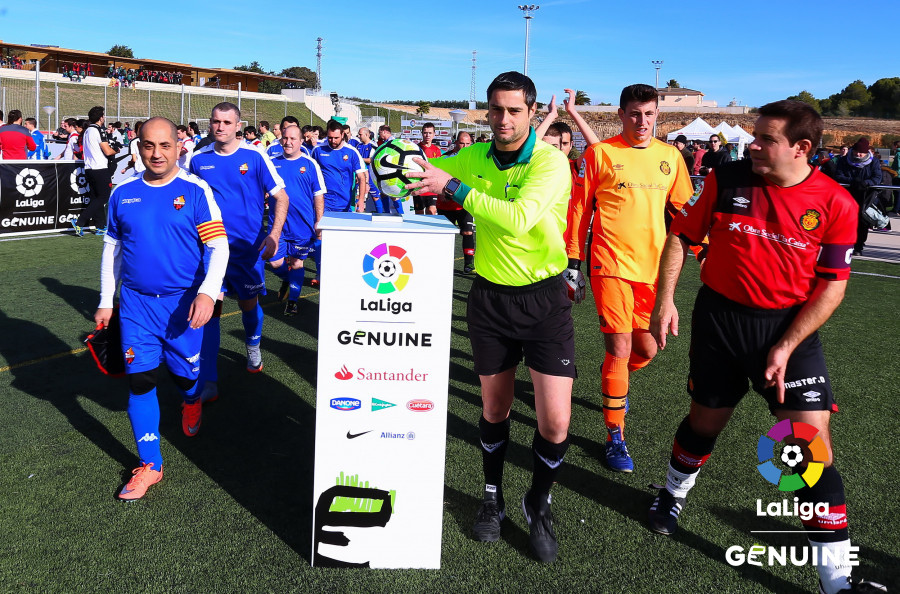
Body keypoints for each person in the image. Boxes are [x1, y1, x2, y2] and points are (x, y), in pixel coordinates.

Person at [648, 100, 885, 594]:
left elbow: (832, 287)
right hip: (719, 322)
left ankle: (835, 581)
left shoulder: (837, 203)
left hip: (789, 333)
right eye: (753, 137)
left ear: (801, 148)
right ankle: (672, 494)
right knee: (704, 422)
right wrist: (664, 300)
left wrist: (785, 344)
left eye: (765, 139)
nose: (752, 145)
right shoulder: (726, 178)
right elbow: (680, 236)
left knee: (808, 451)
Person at [407, 71, 577, 563]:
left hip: (544, 300)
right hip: (490, 300)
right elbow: (424, 169)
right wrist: (397, 165)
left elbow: (519, 217)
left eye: (515, 110)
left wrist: (454, 188)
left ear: (530, 112)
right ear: (488, 111)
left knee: (556, 422)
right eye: (496, 110)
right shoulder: (475, 155)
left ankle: (537, 501)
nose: (504, 119)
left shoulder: (550, 163)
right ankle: (492, 496)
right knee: (495, 409)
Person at [94, 117, 229, 500]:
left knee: (186, 376)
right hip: (135, 306)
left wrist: (207, 292)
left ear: (178, 147)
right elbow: (112, 250)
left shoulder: (196, 191)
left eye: (165, 145)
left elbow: (219, 247)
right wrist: (107, 300)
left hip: (183, 306)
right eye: (149, 146)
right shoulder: (123, 192)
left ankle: (191, 400)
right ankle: (150, 464)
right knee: (140, 381)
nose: (157, 153)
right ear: (138, 147)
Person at [567, 84, 693, 473]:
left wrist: (708, 251)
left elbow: (687, 215)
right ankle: (615, 435)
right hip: (610, 266)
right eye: (635, 114)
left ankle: (613, 385)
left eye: (649, 114)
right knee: (620, 349)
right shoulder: (600, 154)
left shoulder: (671, 158)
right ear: (621, 115)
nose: (642, 122)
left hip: (654, 271)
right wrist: (573, 262)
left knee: (649, 349)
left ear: (658, 116)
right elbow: (579, 212)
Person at [189, 102, 289, 401]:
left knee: (248, 305)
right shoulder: (197, 160)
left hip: (246, 250)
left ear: (237, 125)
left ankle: (253, 345)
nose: (220, 127)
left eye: (226, 122)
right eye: (215, 121)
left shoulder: (255, 156)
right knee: (211, 309)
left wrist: (273, 236)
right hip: (210, 250)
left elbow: (281, 198)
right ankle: (208, 382)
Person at [269, 124, 326, 315]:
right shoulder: (271, 162)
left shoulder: (310, 164)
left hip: (303, 224)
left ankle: (292, 301)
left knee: (296, 263)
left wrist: (319, 221)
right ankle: (287, 278)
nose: (288, 142)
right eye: (285, 138)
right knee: (275, 262)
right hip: (277, 224)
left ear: (301, 141)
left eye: (293, 139)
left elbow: (318, 194)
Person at [834, 138, 883, 256]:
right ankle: (844, 243)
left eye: (861, 152)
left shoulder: (874, 162)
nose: (858, 154)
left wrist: (866, 183)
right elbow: (838, 175)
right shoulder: (844, 160)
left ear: (867, 153)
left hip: (865, 195)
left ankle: (859, 245)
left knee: (862, 221)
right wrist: (852, 181)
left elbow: (877, 178)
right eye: (856, 151)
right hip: (847, 194)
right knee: (845, 220)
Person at [72, 106, 116, 236]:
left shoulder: (86, 131)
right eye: (103, 115)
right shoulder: (98, 130)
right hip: (99, 168)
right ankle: (80, 221)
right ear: (101, 117)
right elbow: (107, 151)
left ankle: (100, 226)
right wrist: (116, 150)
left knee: (95, 198)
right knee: (103, 197)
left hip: (89, 168)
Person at [436, 131, 476, 273]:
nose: (464, 146)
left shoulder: (475, 160)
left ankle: (469, 264)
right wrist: (442, 192)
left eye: (467, 143)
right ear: (455, 142)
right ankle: (442, 264)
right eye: (461, 143)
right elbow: (438, 178)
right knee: (445, 237)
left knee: (467, 233)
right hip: (445, 204)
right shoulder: (446, 158)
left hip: (465, 204)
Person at [415, 123, 441, 214]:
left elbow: (439, 168)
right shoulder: (416, 148)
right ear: (422, 133)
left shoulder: (437, 150)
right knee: (419, 213)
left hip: (432, 186)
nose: (427, 135)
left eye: (430, 133)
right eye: (425, 133)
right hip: (419, 185)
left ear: (434, 134)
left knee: (432, 211)